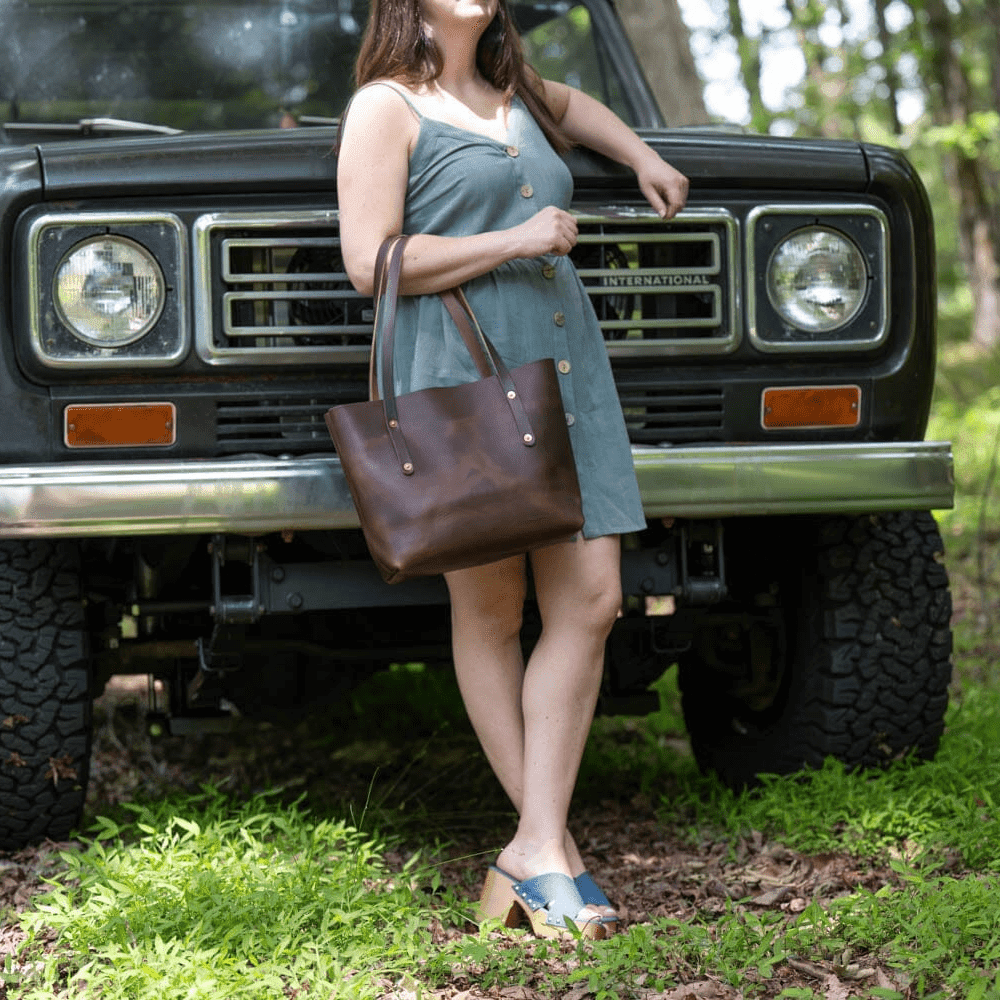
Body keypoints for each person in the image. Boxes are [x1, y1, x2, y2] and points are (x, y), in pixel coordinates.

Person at [336, 0, 688, 940]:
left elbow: (576, 109)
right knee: (491, 611)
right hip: (463, 379)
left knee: (593, 601)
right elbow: (370, 262)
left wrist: (643, 156)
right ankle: (548, 854)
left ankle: (534, 843)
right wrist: (518, 239)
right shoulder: (385, 107)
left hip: (570, 372)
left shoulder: (515, 90)